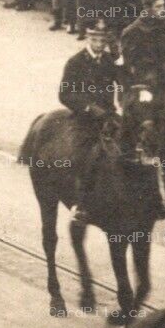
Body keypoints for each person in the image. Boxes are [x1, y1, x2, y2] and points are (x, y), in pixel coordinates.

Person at [58, 19, 126, 223]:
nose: (99, 44)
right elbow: (64, 94)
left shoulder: (108, 61)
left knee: (131, 146)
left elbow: (123, 81)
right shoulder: (76, 62)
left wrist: (119, 59)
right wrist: (88, 107)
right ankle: (80, 204)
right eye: (95, 39)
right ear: (88, 38)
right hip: (84, 118)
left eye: (103, 40)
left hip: (108, 116)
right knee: (83, 155)